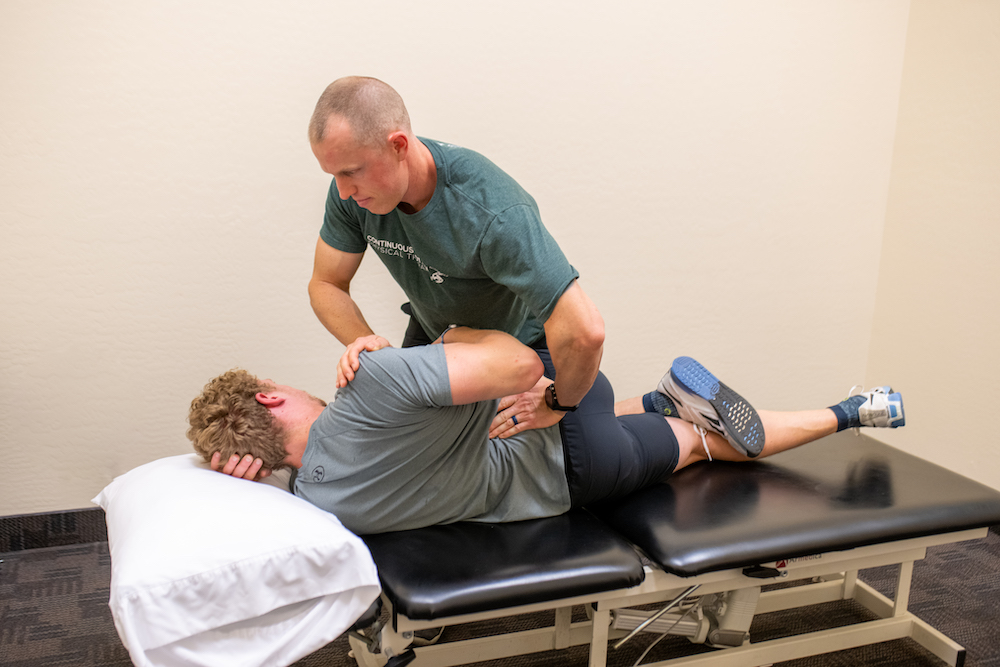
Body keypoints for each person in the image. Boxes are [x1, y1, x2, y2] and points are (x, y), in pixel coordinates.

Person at [187, 328, 906, 535]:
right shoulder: (371, 385)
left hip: (557, 456)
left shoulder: (315, 504)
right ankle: (846, 411)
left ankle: (667, 401)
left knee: (621, 411)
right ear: (270, 397)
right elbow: (522, 360)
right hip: (575, 456)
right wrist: (447, 339)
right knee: (709, 442)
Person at [305, 76, 604, 443]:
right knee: (401, 445)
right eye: (333, 175)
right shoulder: (353, 196)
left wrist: (556, 403)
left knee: (588, 460)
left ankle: (665, 411)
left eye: (350, 172)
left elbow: (585, 332)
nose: (343, 191)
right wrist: (370, 345)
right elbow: (326, 284)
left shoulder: (492, 212)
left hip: (522, 346)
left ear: (398, 145)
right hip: (437, 332)